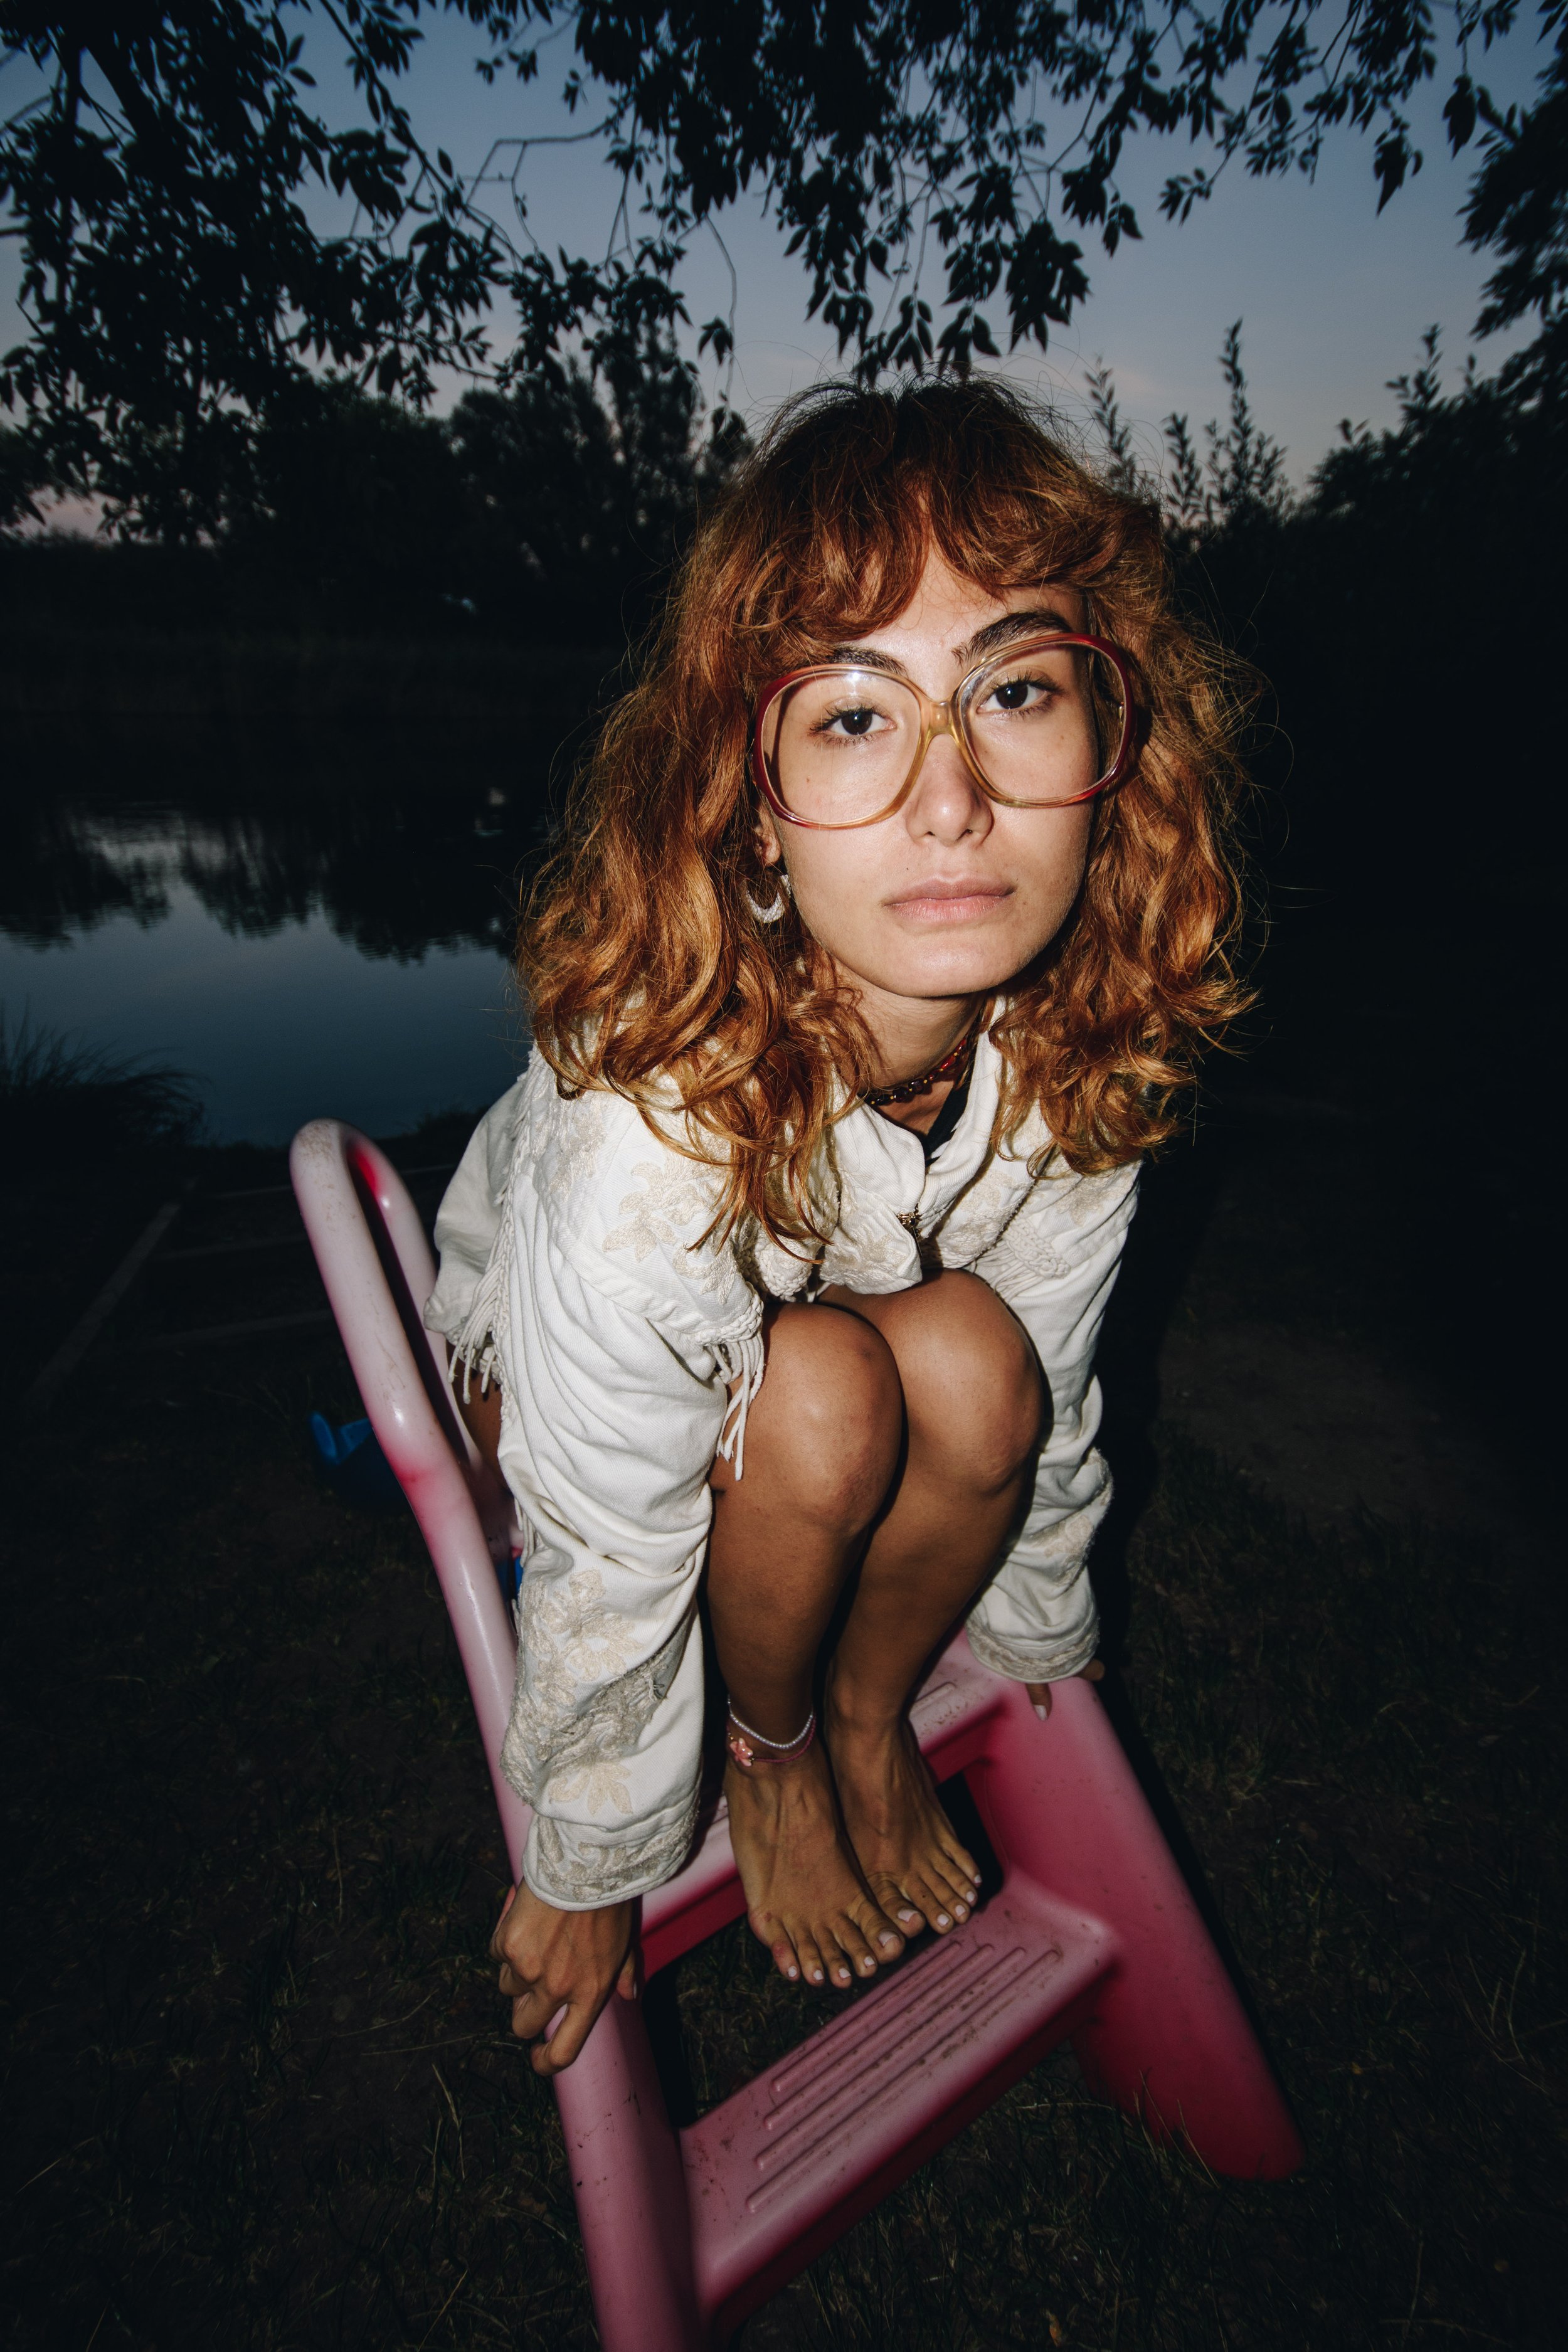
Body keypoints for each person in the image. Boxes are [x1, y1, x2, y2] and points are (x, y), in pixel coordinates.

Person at [424, 379, 1248, 2075]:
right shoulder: (647, 1127)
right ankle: (774, 1744)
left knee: (977, 1358)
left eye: (1011, 690)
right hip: (556, 1382)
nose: (950, 799)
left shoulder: (1069, 1050)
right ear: (752, 809)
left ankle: (868, 1717)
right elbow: (601, 1517)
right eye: (856, 716)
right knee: (820, 1396)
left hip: (833, 1328)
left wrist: (1036, 1643)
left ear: (1110, 755)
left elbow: (1058, 1394)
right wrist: (585, 1847)